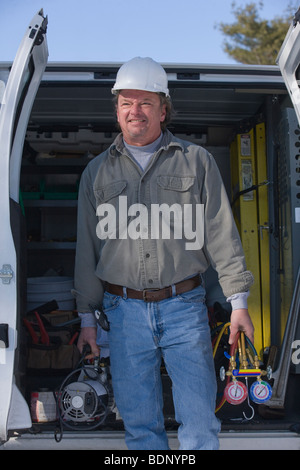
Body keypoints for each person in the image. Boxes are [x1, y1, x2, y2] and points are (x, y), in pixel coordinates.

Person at [73, 57, 254, 450]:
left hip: (184, 307)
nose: (134, 111)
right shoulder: (96, 173)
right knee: (139, 428)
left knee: (201, 426)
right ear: (117, 110)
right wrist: (87, 318)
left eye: (145, 102)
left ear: (163, 108)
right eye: (126, 103)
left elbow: (222, 233)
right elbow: (87, 250)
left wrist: (238, 303)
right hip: (122, 313)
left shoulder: (197, 161)